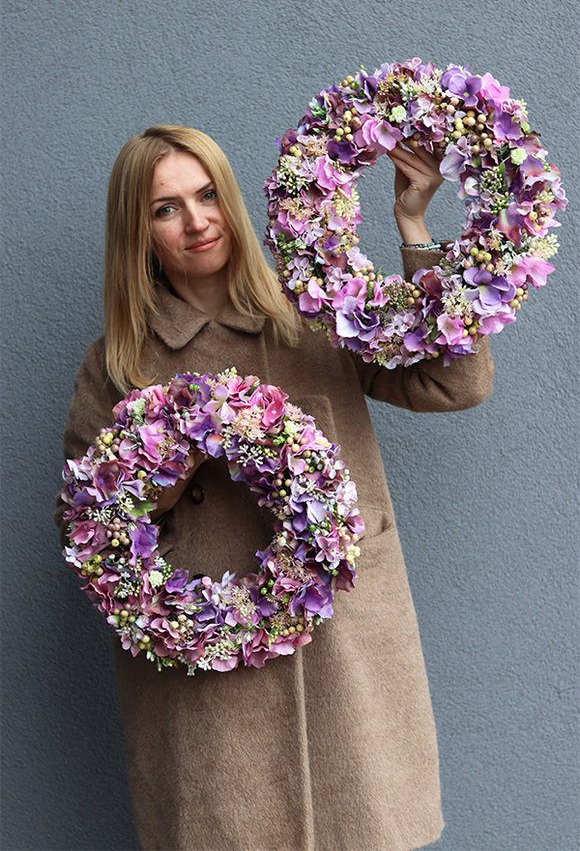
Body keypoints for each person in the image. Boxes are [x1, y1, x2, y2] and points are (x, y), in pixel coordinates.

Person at [55, 125, 494, 851]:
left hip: (346, 654)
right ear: (138, 233)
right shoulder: (116, 365)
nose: (196, 221)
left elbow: (455, 381)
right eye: (166, 209)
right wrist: (183, 440)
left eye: (206, 195)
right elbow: (86, 532)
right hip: (210, 676)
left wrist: (414, 228)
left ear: (232, 199)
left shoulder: (317, 312)